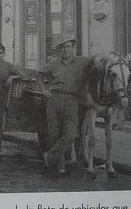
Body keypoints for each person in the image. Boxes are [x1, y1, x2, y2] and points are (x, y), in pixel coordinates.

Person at [39, 35, 95, 177]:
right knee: (54, 135)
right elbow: (39, 75)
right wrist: (44, 90)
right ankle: (61, 167)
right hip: (54, 101)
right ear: (59, 50)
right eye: (62, 47)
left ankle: (49, 156)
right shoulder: (53, 63)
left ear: (73, 48)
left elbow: (97, 61)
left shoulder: (82, 61)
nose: (65, 50)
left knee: (70, 135)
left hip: (72, 102)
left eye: (68, 46)